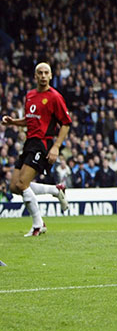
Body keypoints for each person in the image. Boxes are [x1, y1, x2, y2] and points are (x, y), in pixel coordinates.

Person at [1, 62, 71, 237]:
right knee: (14, 187)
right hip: (29, 143)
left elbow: (66, 123)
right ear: (35, 76)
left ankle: (38, 225)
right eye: (39, 73)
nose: (43, 75)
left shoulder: (55, 97)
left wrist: (55, 147)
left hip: (43, 143)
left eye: (46, 72)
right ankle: (56, 190)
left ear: (51, 75)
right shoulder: (30, 95)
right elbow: (30, 119)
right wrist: (13, 122)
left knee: (22, 184)